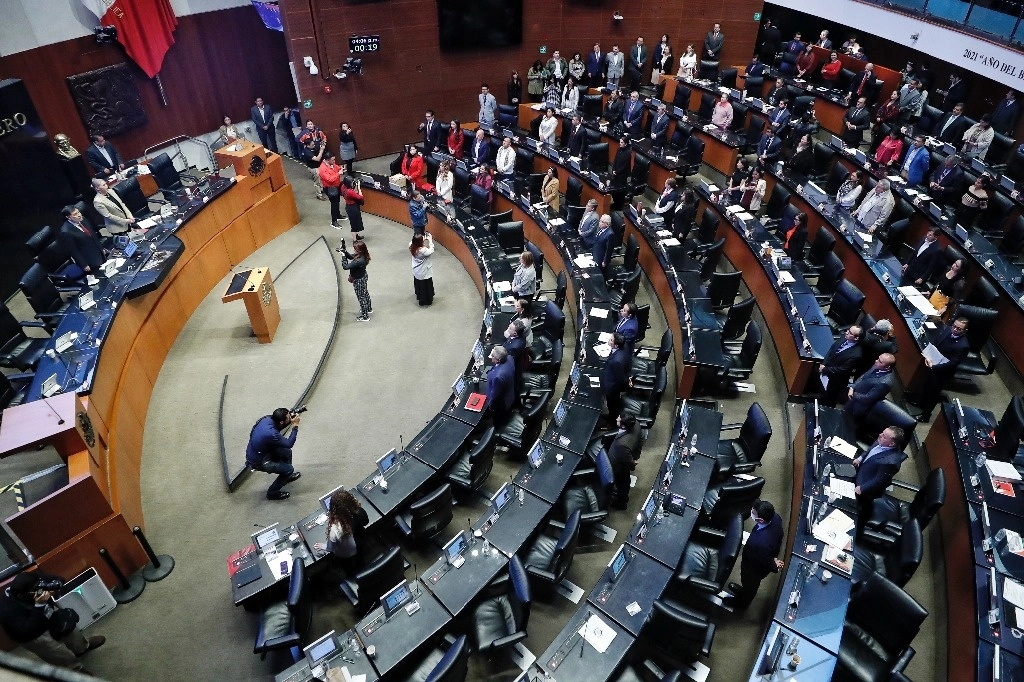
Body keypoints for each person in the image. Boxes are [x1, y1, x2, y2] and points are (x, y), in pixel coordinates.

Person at [0, 571, 106, 672]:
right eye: (37, 589)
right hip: (32, 635)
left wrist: (55, 585)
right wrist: (39, 606)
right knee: (55, 651)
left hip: (46, 614)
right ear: (22, 595)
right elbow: (29, 630)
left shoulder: (32, 582)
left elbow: (58, 579)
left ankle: (82, 647)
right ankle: (75, 670)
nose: (41, 589)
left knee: (68, 628)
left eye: (40, 586)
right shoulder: (8, 611)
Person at [724, 500, 785, 610]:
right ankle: (743, 591)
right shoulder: (776, 518)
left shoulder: (760, 543)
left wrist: (774, 565)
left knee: (750, 586)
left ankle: (741, 604)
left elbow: (766, 561)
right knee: (748, 586)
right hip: (761, 556)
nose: (751, 513)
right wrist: (775, 556)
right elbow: (779, 538)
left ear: (761, 520)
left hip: (753, 569)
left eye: (753, 512)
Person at [910, 318, 971, 421]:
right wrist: (928, 356)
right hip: (933, 363)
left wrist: (934, 367)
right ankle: (921, 403)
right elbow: (935, 341)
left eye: (959, 329)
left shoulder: (963, 346)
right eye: (954, 326)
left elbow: (952, 364)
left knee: (933, 393)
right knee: (927, 385)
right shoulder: (947, 329)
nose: (955, 329)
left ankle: (926, 415)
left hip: (943, 372)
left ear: (965, 331)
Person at [245, 407, 303, 500]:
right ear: (281, 422)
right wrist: (295, 426)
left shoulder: (266, 418)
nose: (290, 418)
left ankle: (286, 477)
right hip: (258, 460)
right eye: (288, 418)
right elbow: (289, 444)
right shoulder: (271, 434)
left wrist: (289, 418)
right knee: (289, 469)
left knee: (287, 453)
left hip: (261, 449)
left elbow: (254, 430)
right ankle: (272, 493)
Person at [853, 427, 907, 521]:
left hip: (864, 488)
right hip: (860, 471)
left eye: (884, 436)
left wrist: (862, 488)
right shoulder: (882, 440)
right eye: (882, 433)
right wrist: (860, 458)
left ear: (892, 444)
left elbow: (879, 481)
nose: (880, 435)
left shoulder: (892, 462)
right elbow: (871, 450)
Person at [312, 490, 369, 575]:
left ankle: (351, 576)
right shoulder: (360, 511)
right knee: (360, 559)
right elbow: (366, 522)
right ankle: (363, 571)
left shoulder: (335, 528)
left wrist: (323, 546)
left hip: (346, 554)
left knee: (347, 566)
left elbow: (331, 548)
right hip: (361, 542)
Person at [820, 325, 864, 407]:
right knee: (822, 392)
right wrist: (823, 363)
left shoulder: (856, 354)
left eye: (850, 332)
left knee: (830, 399)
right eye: (848, 330)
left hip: (836, 380)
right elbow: (831, 349)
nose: (846, 332)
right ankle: (818, 406)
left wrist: (825, 369)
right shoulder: (845, 337)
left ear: (856, 338)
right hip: (826, 371)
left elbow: (843, 369)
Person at [608, 413, 642, 509]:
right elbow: (641, 439)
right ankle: (621, 496)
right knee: (624, 482)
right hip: (625, 454)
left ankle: (621, 503)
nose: (616, 419)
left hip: (619, 465)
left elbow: (629, 463)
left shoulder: (622, 444)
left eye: (618, 420)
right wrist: (636, 455)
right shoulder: (636, 424)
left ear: (623, 426)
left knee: (623, 483)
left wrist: (633, 463)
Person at [846, 353, 897, 419]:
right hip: (853, 398)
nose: (876, 361)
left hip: (859, 407)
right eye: (878, 358)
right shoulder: (878, 365)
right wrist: (852, 387)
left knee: (848, 422)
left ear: (887, 367)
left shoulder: (885, 382)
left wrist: (853, 394)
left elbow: (868, 398)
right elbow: (863, 376)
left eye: (880, 361)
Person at [58, 206, 106, 274]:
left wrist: (101, 248)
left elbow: (93, 235)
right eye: (75, 214)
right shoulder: (66, 232)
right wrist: (84, 265)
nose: (79, 215)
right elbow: (73, 251)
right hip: (89, 260)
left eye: (78, 212)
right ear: (68, 217)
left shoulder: (83, 219)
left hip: (99, 252)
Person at [339, 239, 372, 321]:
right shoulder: (363, 255)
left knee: (361, 297)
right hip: (363, 276)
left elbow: (345, 266)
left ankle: (365, 316)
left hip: (358, 280)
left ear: (359, 250)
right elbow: (351, 256)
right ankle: (368, 308)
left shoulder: (358, 261)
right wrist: (345, 252)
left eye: (355, 249)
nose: (354, 250)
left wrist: (343, 256)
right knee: (365, 293)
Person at [602, 333, 631, 418]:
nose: (609, 340)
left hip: (612, 386)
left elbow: (620, 378)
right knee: (614, 403)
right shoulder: (624, 346)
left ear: (616, 345)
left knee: (612, 404)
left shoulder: (617, 361)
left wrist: (627, 381)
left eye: (611, 340)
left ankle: (612, 420)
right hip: (612, 374)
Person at [485, 346, 515, 428]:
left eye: (492, 356)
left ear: (498, 360)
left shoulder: (497, 377)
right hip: (510, 393)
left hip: (502, 403)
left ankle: (497, 430)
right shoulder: (509, 358)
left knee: (497, 420)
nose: (491, 357)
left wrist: (491, 406)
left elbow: (495, 395)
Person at [297, 121, 328, 199]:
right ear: (308, 145)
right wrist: (321, 150)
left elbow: (324, 137)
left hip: (317, 166)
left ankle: (321, 190)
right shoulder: (307, 152)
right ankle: (319, 195)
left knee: (321, 178)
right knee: (317, 181)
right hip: (313, 168)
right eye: (312, 144)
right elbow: (317, 159)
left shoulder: (317, 132)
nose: (314, 144)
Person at [504, 319, 528, 398]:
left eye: (510, 328)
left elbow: (507, 361)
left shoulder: (514, 347)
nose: (508, 328)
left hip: (514, 372)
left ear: (515, 333)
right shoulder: (521, 335)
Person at [319, 152, 344, 227]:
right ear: (327, 160)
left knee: (337, 201)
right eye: (332, 160)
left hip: (337, 186)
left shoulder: (331, 164)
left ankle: (338, 215)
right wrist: (338, 173)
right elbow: (329, 179)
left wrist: (341, 169)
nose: (334, 161)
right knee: (334, 204)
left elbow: (336, 167)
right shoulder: (322, 169)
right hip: (330, 188)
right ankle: (334, 221)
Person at [410, 232, 435, 306]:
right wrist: (430, 240)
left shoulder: (412, 246)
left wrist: (421, 238)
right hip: (424, 271)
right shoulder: (423, 250)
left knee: (420, 285)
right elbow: (431, 251)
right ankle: (427, 300)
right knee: (426, 285)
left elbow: (413, 241)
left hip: (417, 271)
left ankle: (421, 299)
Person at [341, 176, 365, 242]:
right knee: (354, 225)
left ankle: (357, 236)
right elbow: (360, 197)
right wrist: (359, 187)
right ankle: (355, 240)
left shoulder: (343, 187)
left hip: (350, 206)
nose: (353, 183)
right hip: (353, 208)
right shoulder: (349, 192)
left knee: (356, 222)